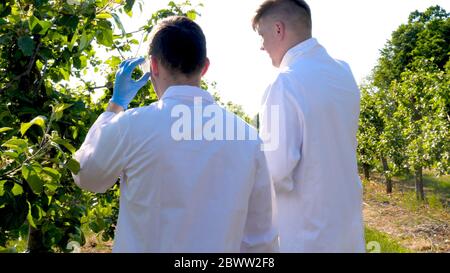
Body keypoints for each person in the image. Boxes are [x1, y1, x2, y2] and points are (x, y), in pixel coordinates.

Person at [72, 16, 279, 253]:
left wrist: (114, 107)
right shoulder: (248, 138)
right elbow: (261, 241)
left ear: (154, 66)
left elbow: (87, 175)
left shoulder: (131, 126)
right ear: (205, 66)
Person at [253, 0, 365, 252]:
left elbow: (276, 170)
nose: (261, 46)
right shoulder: (344, 73)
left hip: (307, 236)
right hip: (348, 231)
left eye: (261, 35)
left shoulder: (284, 84)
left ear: (278, 30)